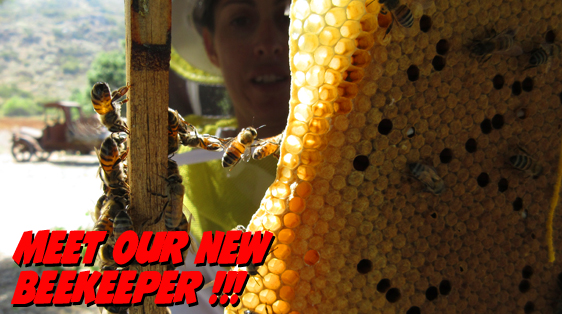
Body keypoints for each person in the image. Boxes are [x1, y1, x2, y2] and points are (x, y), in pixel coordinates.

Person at [169, 0, 291, 312]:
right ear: (211, 45)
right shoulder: (182, 160)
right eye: (241, 20)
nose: (269, 44)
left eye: (289, 16)